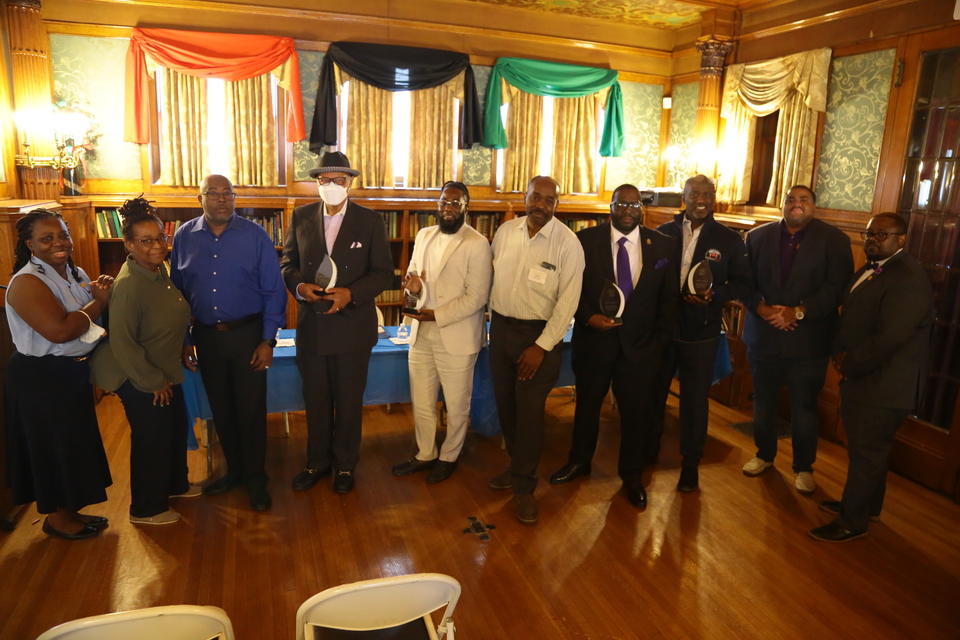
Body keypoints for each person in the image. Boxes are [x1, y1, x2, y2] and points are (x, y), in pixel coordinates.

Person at [549, 184, 678, 508]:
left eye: (633, 205)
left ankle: (632, 476)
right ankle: (579, 461)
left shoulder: (663, 245)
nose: (627, 211)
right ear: (611, 207)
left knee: (635, 415)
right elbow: (571, 289)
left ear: (642, 209)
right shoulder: (584, 241)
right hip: (594, 343)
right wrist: (587, 317)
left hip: (641, 349)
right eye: (621, 204)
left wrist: (659, 343)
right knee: (587, 408)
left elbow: (668, 300)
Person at [810, 213, 933, 542]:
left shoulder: (908, 277)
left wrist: (849, 364)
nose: (872, 240)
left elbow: (890, 337)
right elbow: (852, 316)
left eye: (882, 234)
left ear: (901, 239)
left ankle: (852, 522)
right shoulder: (874, 267)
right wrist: (839, 352)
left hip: (885, 384)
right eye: (869, 234)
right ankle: (867, 507)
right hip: (866, 378)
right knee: (870, 451)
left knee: (867, 454)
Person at [170, 175, 287, 512]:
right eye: (214, 193)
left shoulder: (255, 236)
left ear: (234, 198)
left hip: (248, 335)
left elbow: (274, 291)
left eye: (228, 194)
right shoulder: (184, 236)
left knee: (250, 410)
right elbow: (177, 293)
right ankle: (234, 471)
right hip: (206, 337)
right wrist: (185, 338)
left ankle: (256, 478)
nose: (222, 199)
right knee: (222, 409)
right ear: (200, 199)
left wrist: (268, 340)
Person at [281, 151, 393, 494]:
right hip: (313, 328)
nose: (331, 185)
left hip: (352, 329)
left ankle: (344, 466)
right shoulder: (300, 216)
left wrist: (351, 294)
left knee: (347, 403)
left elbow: (383, 273)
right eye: (324, 180)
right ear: (317, 183)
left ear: (350, 183)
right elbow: (288, 263)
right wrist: (299, 287)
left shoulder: (370, 220)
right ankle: (316, 463)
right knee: (315, 402)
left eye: (338, 180)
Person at [5, 209, 113, 540]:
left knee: (73, 446)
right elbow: (61, 330)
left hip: (71, 373)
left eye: (63, 235)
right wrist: (99, 302)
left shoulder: (74, 272)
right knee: (52, 448)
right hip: (40, 377)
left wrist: (98, 296)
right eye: (47, 238)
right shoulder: (26, 282)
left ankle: (71, 511)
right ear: (30, 244)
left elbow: (85, 323)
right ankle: (57, 519)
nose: (59, 243)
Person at [91, 197, 200, 525]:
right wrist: (153, 381)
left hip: (163, 365)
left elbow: (170, 313)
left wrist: (184, 345)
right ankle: (147, 508)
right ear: (129, 245)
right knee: (152, 438)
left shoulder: (157, 270)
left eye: (161, 238)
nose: (157, 246)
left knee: (174, 428)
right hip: (135, 373)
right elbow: (123, 343)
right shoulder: (129, 284)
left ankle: (175, 486)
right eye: (146, 241)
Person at [740, 185, 853, 493]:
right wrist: (763, 310)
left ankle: (804, 467)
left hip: (809, 341)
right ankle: (764, 455)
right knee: (763, 401)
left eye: (804, 199)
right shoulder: (756, 237)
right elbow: (743, 281)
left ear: (814, 206)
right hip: (764, 336)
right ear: (783, 205)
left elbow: (837, 288)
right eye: (791, 199)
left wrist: (798, 312)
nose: (797, 204)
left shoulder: (835, 240)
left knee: (804, 406)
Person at [488, 175, 585, 524]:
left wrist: (541, 346)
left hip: (538, 339)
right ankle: (517, 468)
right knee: (507, 409)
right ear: (525, 197)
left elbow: (568, 303)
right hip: (501, 332)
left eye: (549, 200)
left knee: (529, 416)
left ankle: (525, 489)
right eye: (536, 197)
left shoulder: (568, 244)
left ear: (557, 204)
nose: (541, 205)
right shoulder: (505, 232)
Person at [652, 174, 753, 492]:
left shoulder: (729, 239)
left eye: (707, 195)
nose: (701, 200)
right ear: (683, 198)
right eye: (694, 194)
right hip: (662, 329)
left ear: (714, 199)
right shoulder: (662, 232)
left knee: (694, 403)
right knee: (653, 395)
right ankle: (647, 451)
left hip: (702, 330)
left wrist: (715, 295)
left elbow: (744, 283)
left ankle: (690, 465)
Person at [392, 182, 493, 483]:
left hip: (457, 335)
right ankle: (425, 453)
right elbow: (413, 276)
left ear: (466, 207)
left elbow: (477, 297)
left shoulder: (477, 243)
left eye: (455, 203)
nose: (448, 208)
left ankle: (449, 456)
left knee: (457, 404)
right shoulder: (424, 235)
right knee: (422, 401)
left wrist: (436, 315)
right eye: (444, 202)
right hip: (421, 332)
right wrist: (413, 289)